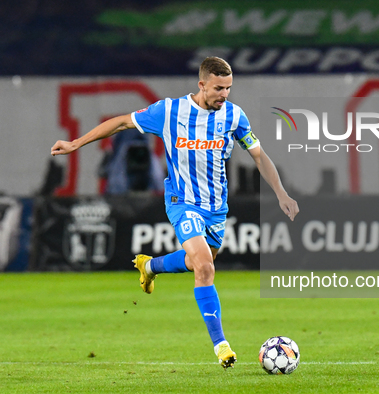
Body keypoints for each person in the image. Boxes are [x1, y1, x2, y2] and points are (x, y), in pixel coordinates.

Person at [51, 57, 299, 369]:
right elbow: (121, 122)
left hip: (216, 207)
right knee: (205, 267)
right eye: (218, 88)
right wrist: (77, 143)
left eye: (229, 88)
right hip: (183, 202)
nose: (224, 94)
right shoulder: (169, 111)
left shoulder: (235, 117)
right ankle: (221, 345)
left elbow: (259, 156)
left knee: (202, 259)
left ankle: (151, 266)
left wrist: (281, 193)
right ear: (202, 84)